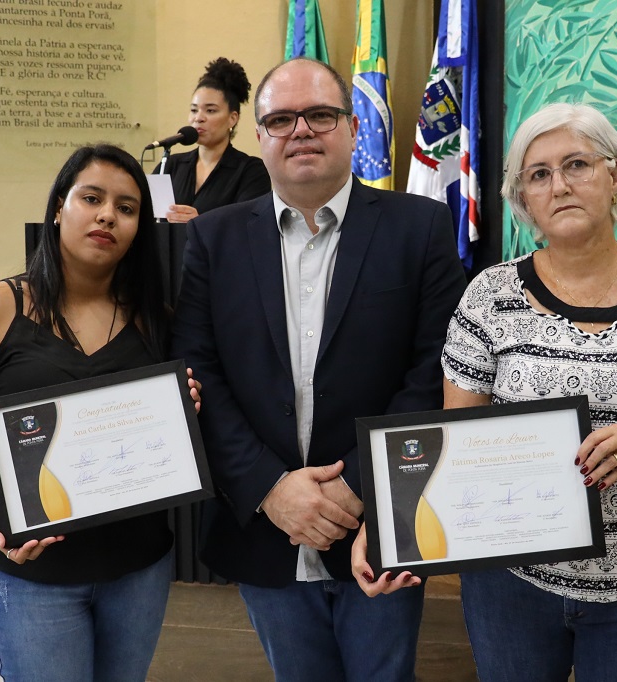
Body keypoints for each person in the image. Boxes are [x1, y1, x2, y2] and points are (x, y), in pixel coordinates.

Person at [352, 102, 617, 681]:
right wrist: (392, 529)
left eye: (577, 164)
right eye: (539, 174)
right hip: (511, 585)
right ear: (524, 201)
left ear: (615, 175)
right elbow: (452, 442)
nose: (559, 185)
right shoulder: (489, 296)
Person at [171, 57, 467, 681]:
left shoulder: (419, 228)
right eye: (280, 119)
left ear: (354, 129)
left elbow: (432, 371)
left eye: (320, 115)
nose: (300, 129)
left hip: (381, 519)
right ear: (260, 137)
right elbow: (198, 377)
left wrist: (358, 484)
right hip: (264, 525)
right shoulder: (214, 240)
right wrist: (270, 488)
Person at [0, 144, 202, 682]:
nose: (107, 215)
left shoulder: (157, 321)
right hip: (33, 571)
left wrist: (187, 409)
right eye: (91, 198)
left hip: (140, 567)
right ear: (58, 209)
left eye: (127, 207)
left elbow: (170, 440)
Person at [157, 57, 271, 224]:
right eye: (194, 110)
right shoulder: (171, 165)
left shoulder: (250, 171)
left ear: (232, 119)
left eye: (210, 110)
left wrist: (201, 223)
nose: (198, 118)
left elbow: (250, 228)